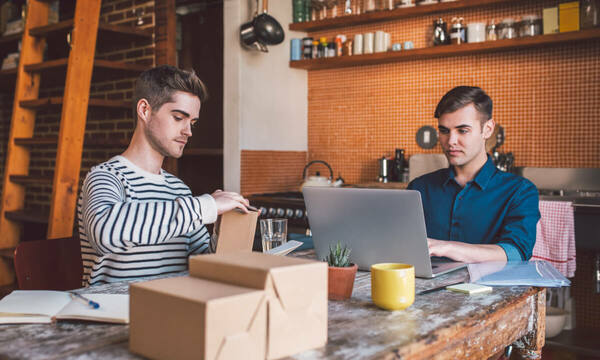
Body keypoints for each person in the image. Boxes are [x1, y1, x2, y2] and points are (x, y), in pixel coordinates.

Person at [78, 65, 250, 286]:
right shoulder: (105, 176)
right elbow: (105, 233)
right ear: (144, 110)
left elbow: (202, 263)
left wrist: (222, 231)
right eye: (179, 117)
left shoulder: (179, 189)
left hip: (172, 310)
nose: (188, 131)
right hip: (120, 315)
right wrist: (207, 206)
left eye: (192, 123)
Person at [408, 86, 540, 263]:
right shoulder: (419, 188)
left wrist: (447, 247)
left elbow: (516, 253)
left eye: (462, 130)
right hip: (423, 289)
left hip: (490, 290)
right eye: (444, 131)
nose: (451, 141)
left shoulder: (520, 191)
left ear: (487, 129)